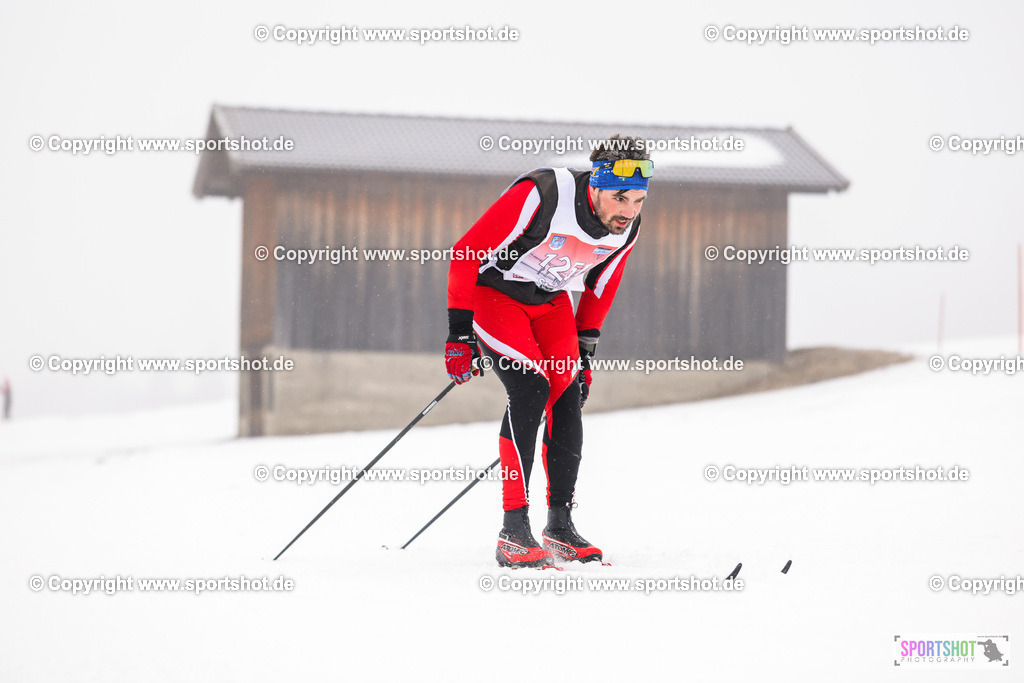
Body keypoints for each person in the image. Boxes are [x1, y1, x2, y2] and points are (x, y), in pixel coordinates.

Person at [444, 135, 653, 566]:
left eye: (638, 200)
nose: (629, 211)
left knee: (567, 391)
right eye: (620, 199)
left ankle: (559, 526)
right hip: (495, 295)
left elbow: (600, 287)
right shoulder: (545, 192)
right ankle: (513, 530)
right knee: (530, 388)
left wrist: (585, 355)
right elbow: (465, 252)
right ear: (595, 186)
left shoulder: (626, 226)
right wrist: (459, 334)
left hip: (551, 300)